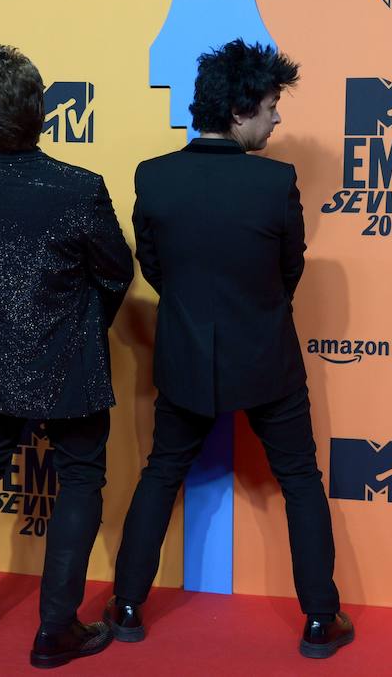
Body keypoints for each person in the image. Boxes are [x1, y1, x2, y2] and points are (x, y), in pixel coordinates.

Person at [105, 39, 353, 660]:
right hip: (267, 360)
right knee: (299, 480)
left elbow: (155, 268)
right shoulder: (275, 183)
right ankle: (321, 619)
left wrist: (196, 312)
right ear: (241, 110)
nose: (277, 120)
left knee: (163, 472)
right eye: (271, 107)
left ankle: (128, 606)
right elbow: (287, 270)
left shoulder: (153, 177)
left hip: (186, 358)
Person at [0, 45, 133, 669]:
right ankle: (55, 631)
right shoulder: (80, 188)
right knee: (79, 481)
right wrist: (81, 324)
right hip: (70, 361)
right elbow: (118, 274)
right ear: (42, 113)